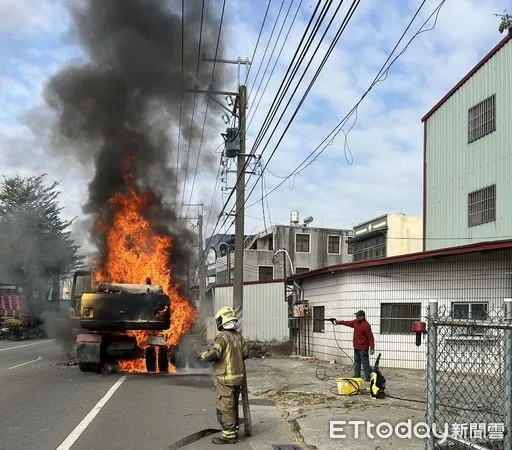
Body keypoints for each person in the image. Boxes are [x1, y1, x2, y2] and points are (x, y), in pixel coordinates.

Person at [198, 306, 249, 445]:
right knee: (232, 404)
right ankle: (235, 428)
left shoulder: (222, 337)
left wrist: (203, 356)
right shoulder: (239, 336)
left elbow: (215, 353)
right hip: (238, 378)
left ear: (222, 320)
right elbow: (246, 353)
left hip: (226, 379)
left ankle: (228, 436)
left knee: (225, 407)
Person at [329, 310, 375, 381]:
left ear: (362, 317)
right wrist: (338, 322)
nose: (356, 317)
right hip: (356, 346)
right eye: (356, 316)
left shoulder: (366, 325)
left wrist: (372, 348)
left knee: (365, 362)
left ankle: (368, 377)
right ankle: (357, 375)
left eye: (357, 316)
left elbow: (370, 337)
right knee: (357, 361)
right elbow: (347, 323)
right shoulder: (355, 322)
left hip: (363, 348)